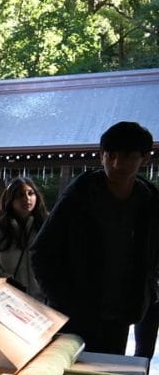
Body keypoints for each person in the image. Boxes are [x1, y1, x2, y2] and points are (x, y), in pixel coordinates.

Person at [32, 121, 159, 355]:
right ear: (101, 156)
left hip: (119, 314)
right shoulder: (78, 198)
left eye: (128, 155)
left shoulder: (150, 203)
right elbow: (41, 252)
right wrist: (62, 299)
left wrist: (146, 293)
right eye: (110, 154)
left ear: (145, 158)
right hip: (73, 313)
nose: (117, 163)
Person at [0, 177, 49, 300]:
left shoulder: (47, 226)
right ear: (10, 199)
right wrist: (8, 279)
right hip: (9, 297)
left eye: (31, 193)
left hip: (44, 297)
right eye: (20, 195)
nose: (27, 198)